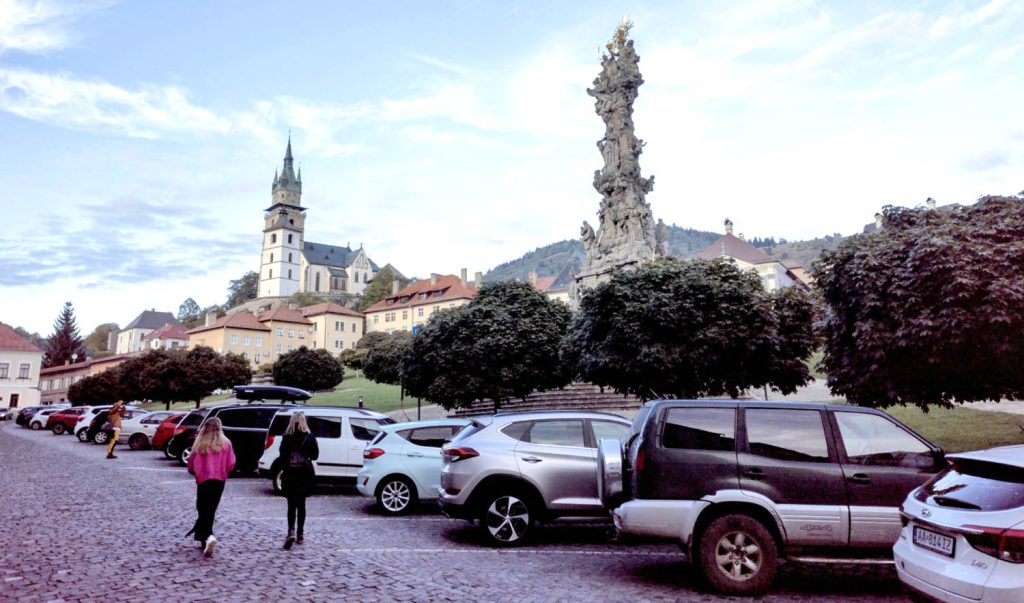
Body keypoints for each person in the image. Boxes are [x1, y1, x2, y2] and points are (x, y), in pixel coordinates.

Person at [186, 417, 236, 557]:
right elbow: (231, 463)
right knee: (211, 508)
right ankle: (205, 536)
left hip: (203, 480)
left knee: (203, 507)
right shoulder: (226, 443)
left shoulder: (200, 443)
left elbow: (191, 462)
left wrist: (194, 471)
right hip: (219, 480)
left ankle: (207, 536)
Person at [277, 412, 319, 550]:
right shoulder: (309, 437)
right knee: (301, 504)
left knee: (291, 504)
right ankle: (300, 532)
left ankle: (291, 531)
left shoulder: (286, 437)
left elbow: (282, 456)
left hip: (290, 473)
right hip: (304, 474)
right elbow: (315, 455)